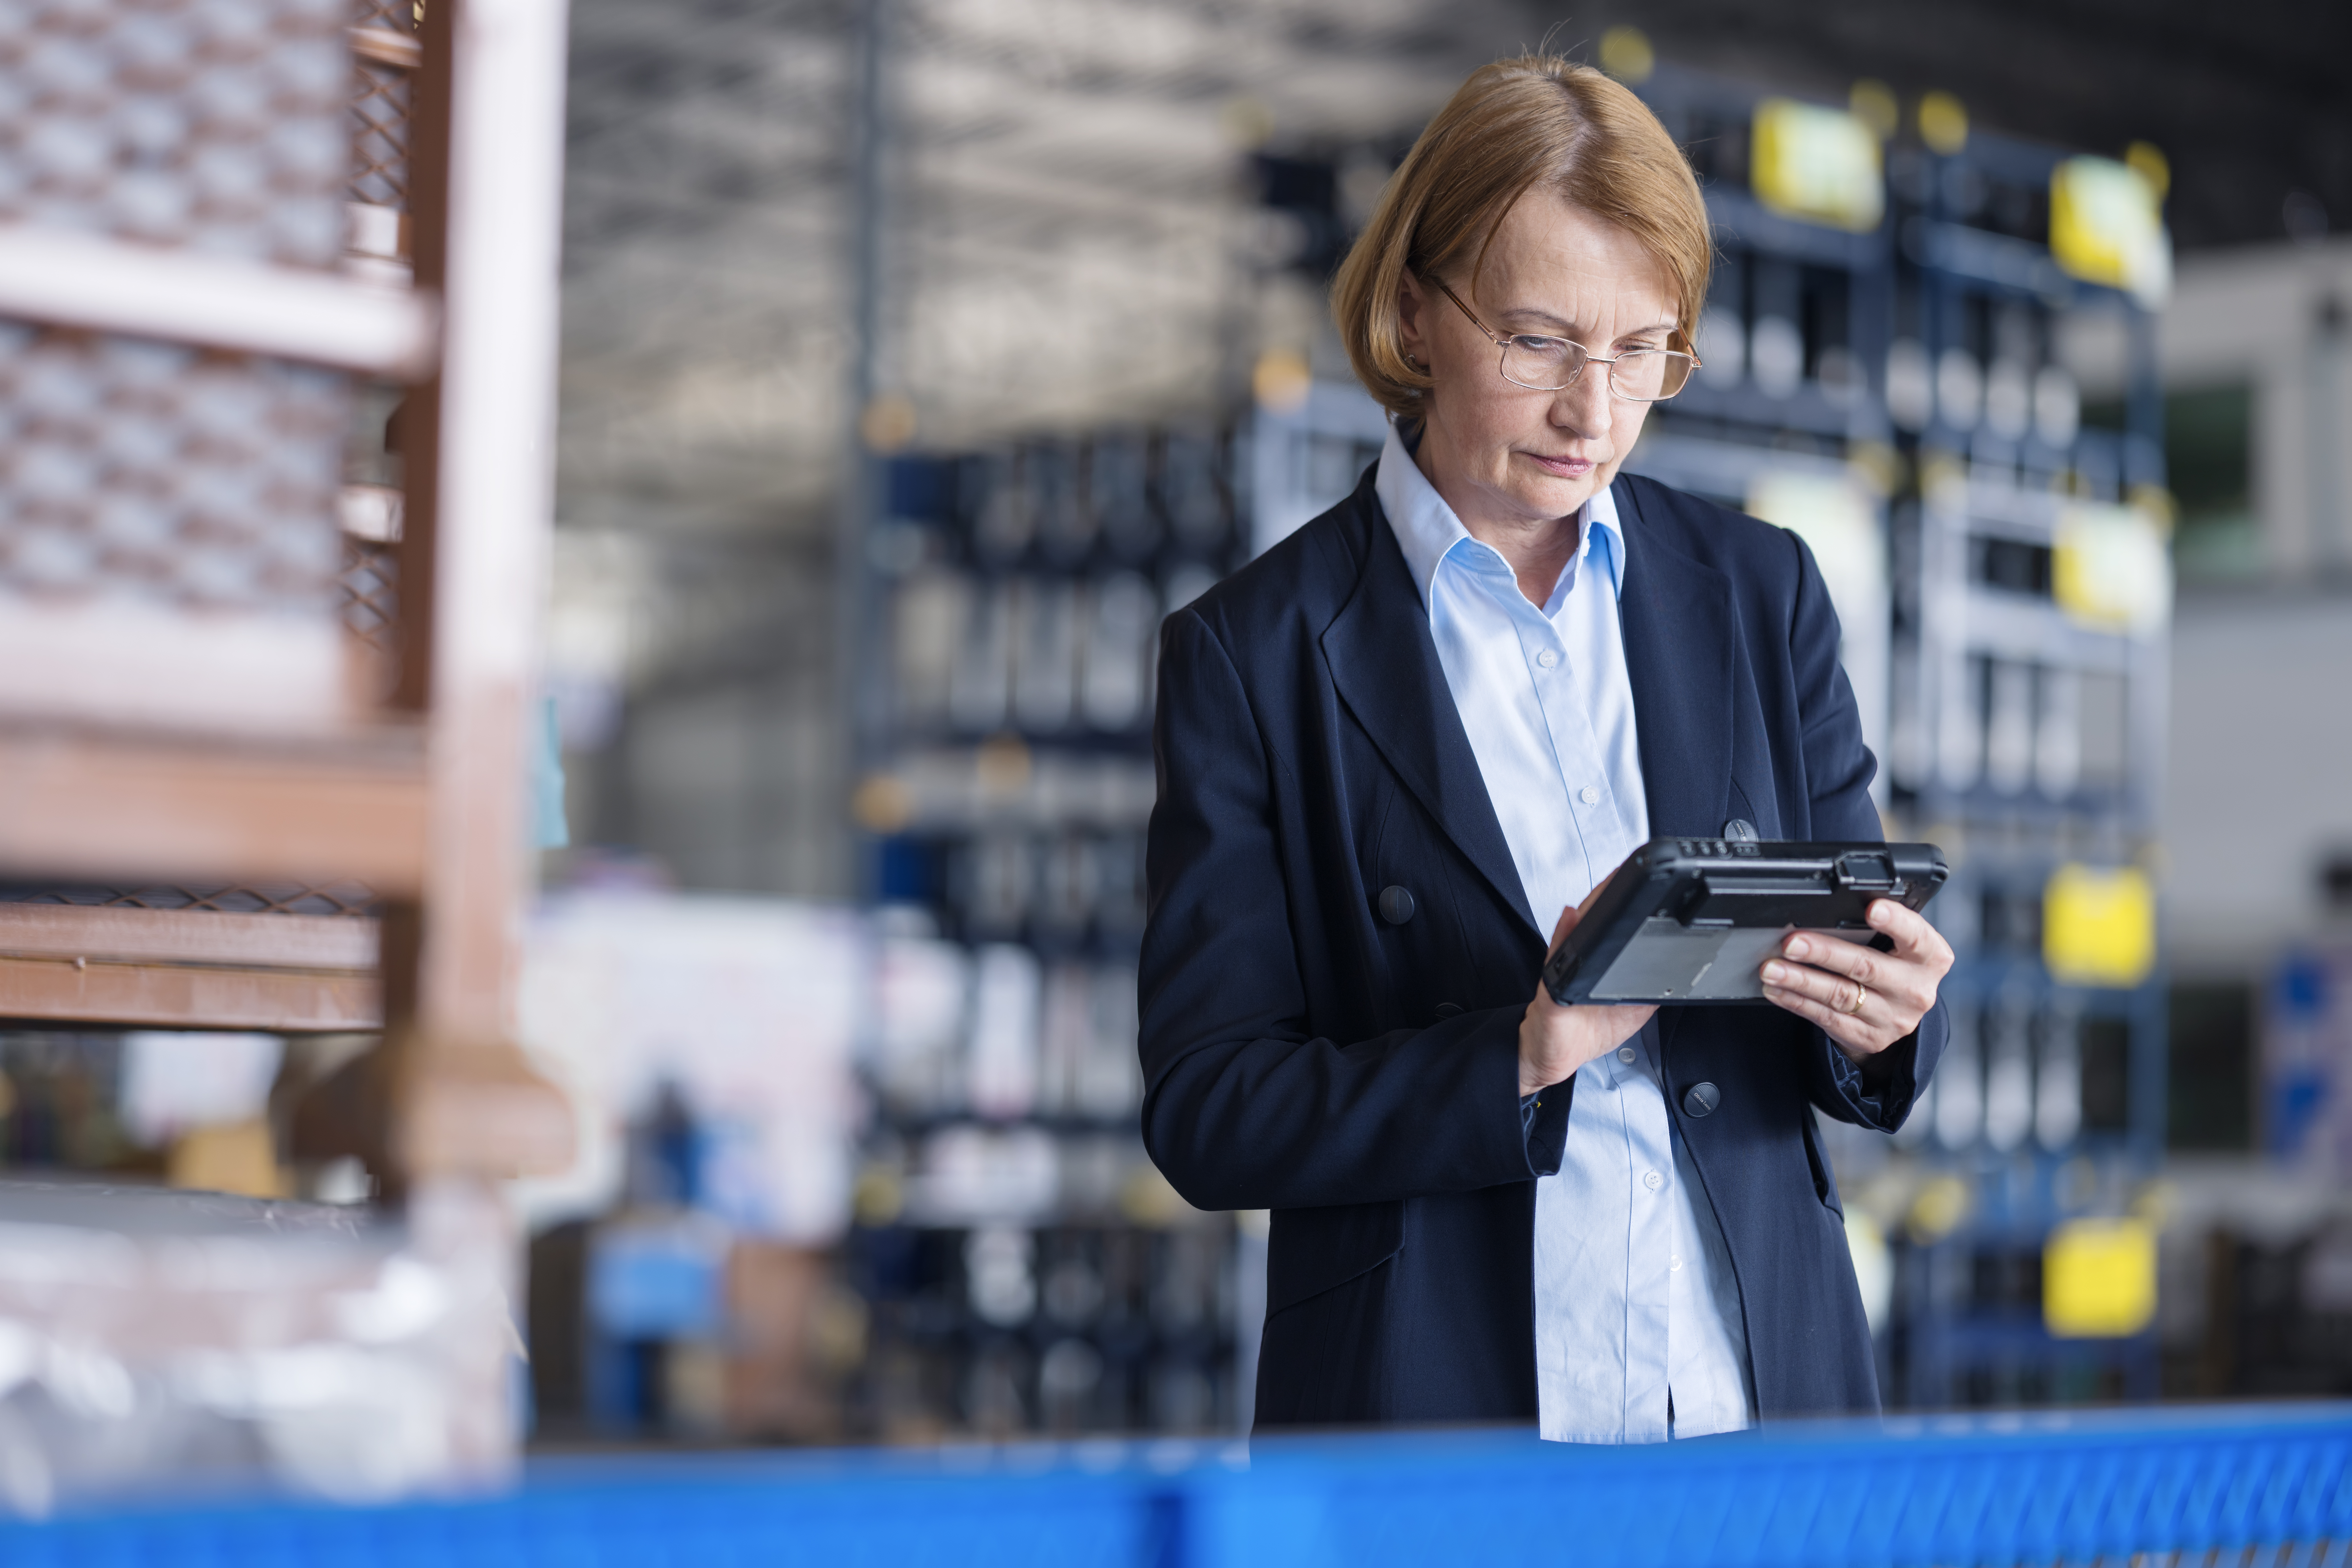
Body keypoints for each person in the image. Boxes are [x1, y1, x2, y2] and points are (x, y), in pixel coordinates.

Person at [1138, 52, 1954, 1441]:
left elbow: (1855, 997)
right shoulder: (1254, 653)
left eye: (1642, 349)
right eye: (1537, 342)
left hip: (1759, 1404)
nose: (1595, 411)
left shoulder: (1764, 595)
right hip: (1439, 1422)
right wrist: (1515, 1054)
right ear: (1414, 311)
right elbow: (1211, 1109)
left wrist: (1886, 1021)